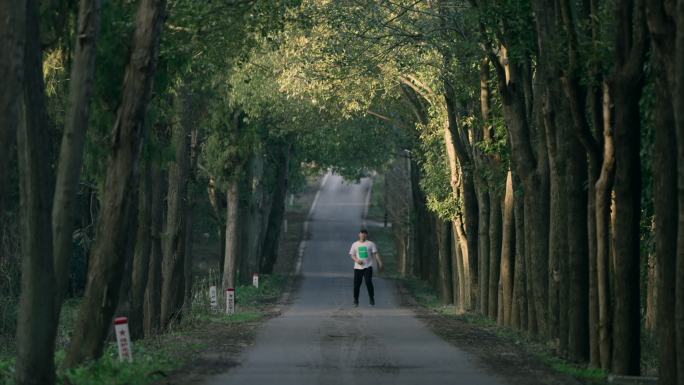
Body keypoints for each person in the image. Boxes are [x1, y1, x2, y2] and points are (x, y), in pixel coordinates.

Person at [349, 228, 383, 307]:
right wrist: (357, 260)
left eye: (364, 233)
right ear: (359, 234)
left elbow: (375, 254)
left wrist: (380, 262)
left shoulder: (371, 244)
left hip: (368, 267)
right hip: (358, 268)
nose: (363, 235)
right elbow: (352, 255)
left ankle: (371, 298)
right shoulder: (355, 244)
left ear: (366, 235)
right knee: (357, 284)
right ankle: (356, 300)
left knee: (368, 282)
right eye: (361, 233)